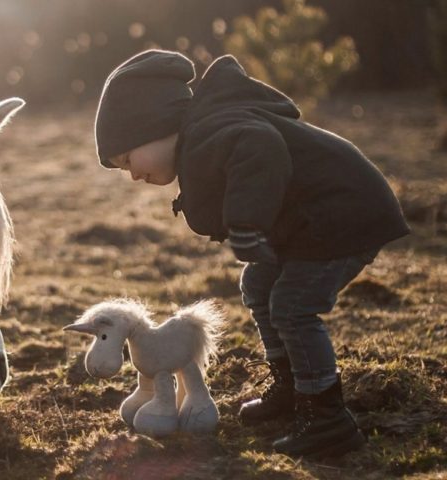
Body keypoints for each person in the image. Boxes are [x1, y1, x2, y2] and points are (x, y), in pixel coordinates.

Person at [93, 50, 410, 458]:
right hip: (315, 222)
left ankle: (327, 419)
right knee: (258, 281)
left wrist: (246, 223)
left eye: (128, 159)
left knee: (292, 305)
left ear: (154, 125)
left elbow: (260, 146)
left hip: (344, 213)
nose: (134, 175)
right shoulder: (201, 136)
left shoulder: (213, 129)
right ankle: (291, 387)